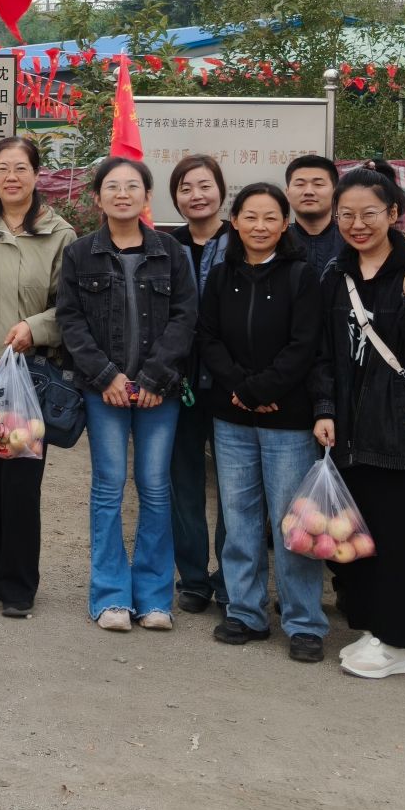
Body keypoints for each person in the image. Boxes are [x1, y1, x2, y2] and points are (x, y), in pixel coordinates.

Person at [311, 160, 405, 678]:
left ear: (393, 214)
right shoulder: (336, 274)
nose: (357, 224)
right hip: (352, 435)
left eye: (369, 213)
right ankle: (374, 628)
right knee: (361, 538)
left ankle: (398, 643)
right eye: (346, 215)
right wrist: (325, 408)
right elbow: (323, 353)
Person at [59, 155, 199, 633]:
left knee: (156, 488)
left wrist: (156, 378)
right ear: (97, 198)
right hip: (105, 393)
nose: (123, 194)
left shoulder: (170, 252)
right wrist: (106, 377)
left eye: (132, 186)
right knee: (109, 487)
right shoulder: (80, 254)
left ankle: (155, 597)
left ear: (147, 196)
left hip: (161, 393)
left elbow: (185, 317)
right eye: (112, 187)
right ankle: (110, 595)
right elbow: (71, 320)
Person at [198, 183, 327, 662]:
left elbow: (304, 345)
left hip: (288, 421)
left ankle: (304, 622)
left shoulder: (301, 276)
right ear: (234, 222)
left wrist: (260, 391)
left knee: (292, 523)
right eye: (250, 217)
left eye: (270, 217)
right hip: (231, 418)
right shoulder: (221, 276)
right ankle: (246, 612)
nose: (259, 226)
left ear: (284, 224)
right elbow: (208, 338)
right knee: (239, 519)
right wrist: (241, 389)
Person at [0, 135, 74, 618]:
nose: (11, 177)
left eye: (21, 168)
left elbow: (69, 306)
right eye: (3, 168)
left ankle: (20, 584)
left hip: (30, 370)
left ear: (36, 174)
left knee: (22, 478)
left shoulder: (59, 234)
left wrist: (34, 327)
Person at [167, 153, 229, 614]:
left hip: (231, 384)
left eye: (205, 186)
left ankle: (230, 578)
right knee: (183, 483)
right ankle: (192, 577)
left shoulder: (243, 240)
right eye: (186, 188)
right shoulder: (166, 246)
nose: (196, 196)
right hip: (179, 383)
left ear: (221, 191)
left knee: (235, 489)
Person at [284, 155, 343, 278]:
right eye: (300, 184)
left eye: (318, 184)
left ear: (335, 192)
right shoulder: (276, 241)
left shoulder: (350, 242)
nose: (308, 192)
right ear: (287, 193)